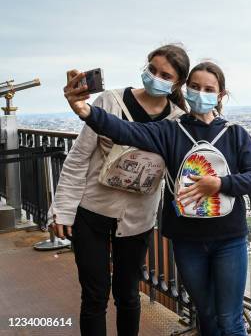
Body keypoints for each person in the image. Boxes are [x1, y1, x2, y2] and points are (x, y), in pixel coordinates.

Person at [64, 60, 251, 336]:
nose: (200, 93)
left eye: (208, 89)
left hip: (228, 237)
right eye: (194, 87)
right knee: (206, 314)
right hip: (188, 239)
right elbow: (126, 130)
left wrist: (218, 183)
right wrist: (86, 111)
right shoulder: (171, 130)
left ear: (220, 96)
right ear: (184, 88)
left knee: (230, 320)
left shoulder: (234, 133)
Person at [48, 44, 190, 336]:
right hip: (93, 210)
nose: (155, 77)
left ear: (176, 83)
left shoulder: (177, 121)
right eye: (152, 69)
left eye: (165, 74)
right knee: (95, 295)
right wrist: (62, 209)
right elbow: (78, 159)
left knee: (127, 295)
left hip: (137, 219)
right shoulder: (109, 101)